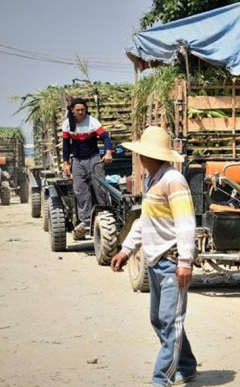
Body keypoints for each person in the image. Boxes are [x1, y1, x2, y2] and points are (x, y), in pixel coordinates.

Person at [111, 126, 198, 387]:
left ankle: (161, 380)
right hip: (155, 262)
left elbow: (186, 223)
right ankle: (187, 366)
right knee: (159, 320)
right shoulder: (153, 180)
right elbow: (144, 222)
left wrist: (185, 262)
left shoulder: (173, 181)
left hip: (172, 263)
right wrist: (127, 249)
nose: (138, 158)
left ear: (148, 155)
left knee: (170, 323)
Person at [61, 98, 111, 237]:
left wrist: (107, 153)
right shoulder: (67, 124)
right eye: (78, 110)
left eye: (83, 109)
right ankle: (85, 222)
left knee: (100, 188)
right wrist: (65, 163)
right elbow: (66, 145)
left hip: (94, 158)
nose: (81, 112)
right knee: (80, 191)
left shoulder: (92, 121)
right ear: (72, 110)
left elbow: (106, 137)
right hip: (77, 161)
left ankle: (105, 215)